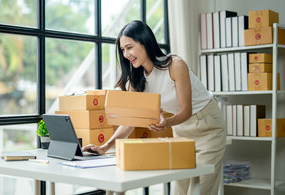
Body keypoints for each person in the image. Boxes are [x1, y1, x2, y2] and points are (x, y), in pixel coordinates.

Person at [82, 20, 226, 195]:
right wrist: (105, 147)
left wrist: (167, 123)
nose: (126, 54)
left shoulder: (174, 64)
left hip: (207, 126)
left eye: (129, 47)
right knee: (180, 190)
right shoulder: (137, 80)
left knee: (201, 190)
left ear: (145, 42)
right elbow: (130, 121)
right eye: (123, 50)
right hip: (181, 130)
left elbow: (186, 109)